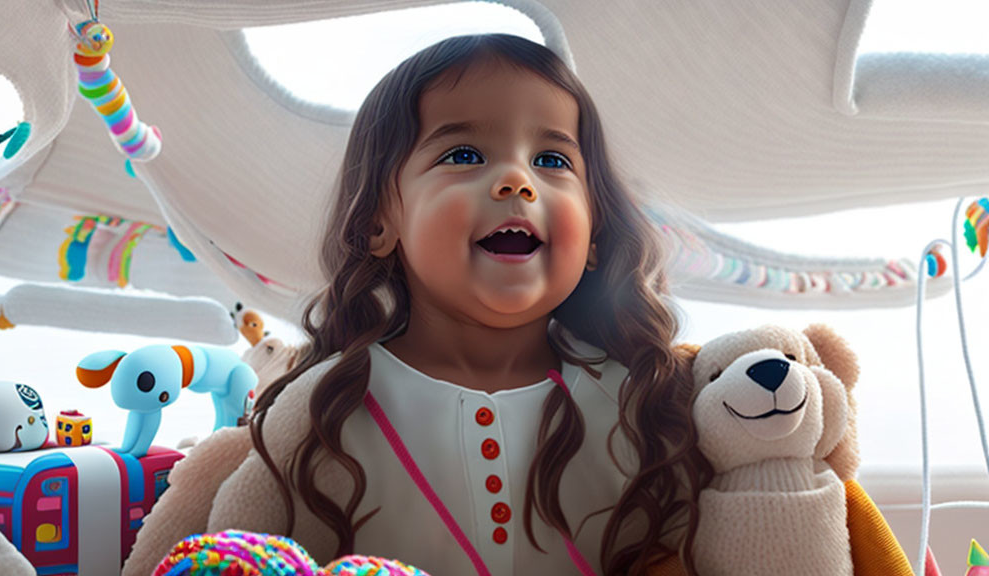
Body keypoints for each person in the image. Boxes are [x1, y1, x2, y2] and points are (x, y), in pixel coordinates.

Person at [123, 33, 709, 576]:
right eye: (463, 155)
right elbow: (238, 555)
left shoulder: (644, 399)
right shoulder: (325, 406)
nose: (516, 180)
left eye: (552, 161)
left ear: (596, 234)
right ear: (381, 221)